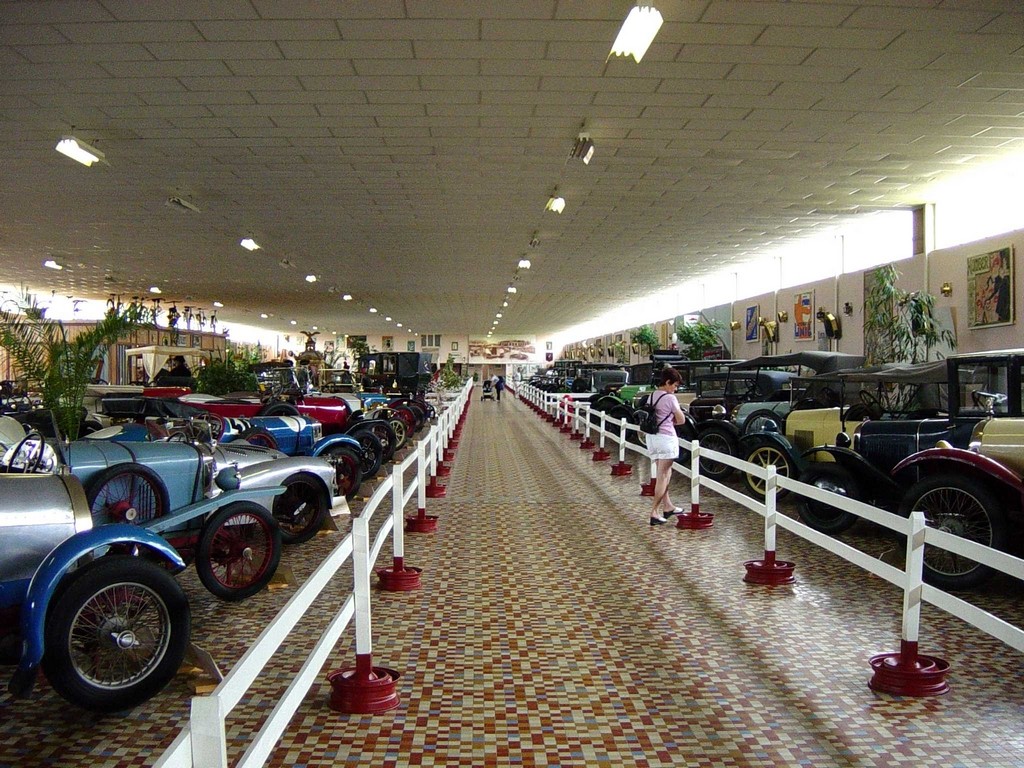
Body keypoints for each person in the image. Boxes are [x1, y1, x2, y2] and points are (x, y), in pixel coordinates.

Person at [644, 367, 686, 526]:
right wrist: (671, 421)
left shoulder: (651, 396)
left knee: (664, 474)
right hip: (666, 439)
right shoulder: (670, 398)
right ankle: (654, 512)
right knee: (663, 476)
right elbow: (681, 420)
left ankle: (668, 506)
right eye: (674, 385)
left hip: (652, 439)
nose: (675, 389)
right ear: (667, 382)